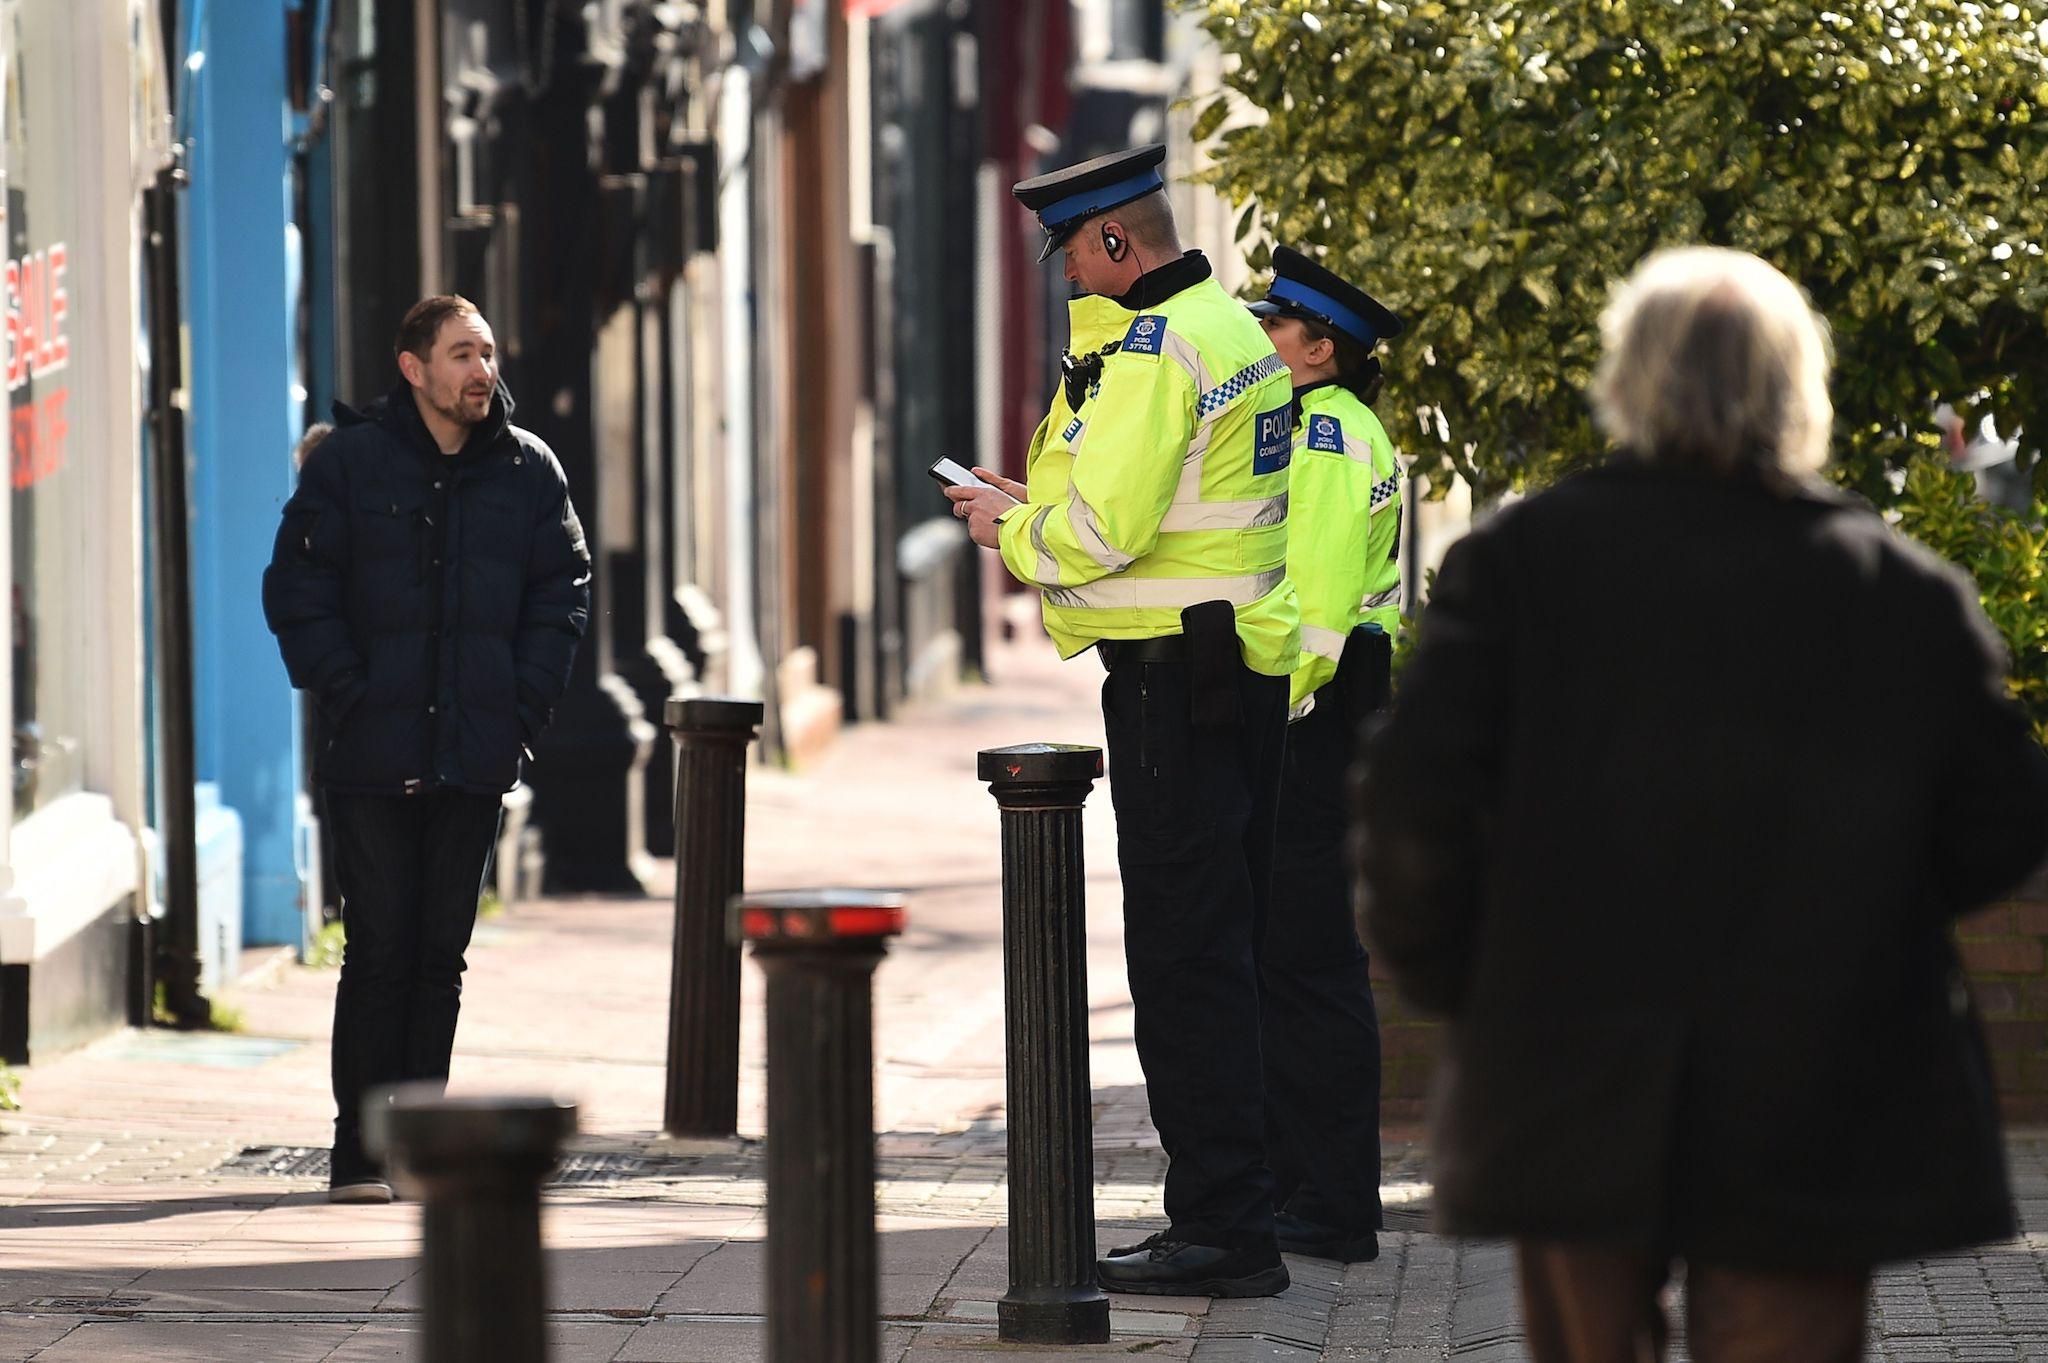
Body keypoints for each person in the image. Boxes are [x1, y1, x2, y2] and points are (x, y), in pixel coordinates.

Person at [1356, 246, 2048, 1361]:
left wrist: (1461, 982)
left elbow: (1411, 803)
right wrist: (1882, 914)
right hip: (1817, 1069)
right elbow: (2004, 815)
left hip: (1564, 1052)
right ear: (1796, 389)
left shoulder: (1521, 562)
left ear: (1627, 380)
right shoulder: (1892, 587)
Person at [947, 144, 1300, 1297]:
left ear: (1115, 242)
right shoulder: (1232, 326)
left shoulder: (1155, 351)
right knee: (1224, 945)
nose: (1070, 283)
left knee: (1184, 958)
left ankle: (1220, 1228)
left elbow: (1103, 533)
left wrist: (1007, 534)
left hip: (1171, 686)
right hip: (1235, 671)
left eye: (1071, 260)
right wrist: (1032, 502)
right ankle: (1235, 1206)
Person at [263, 295, 591, 1203]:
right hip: (371, 751)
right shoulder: (352, 464)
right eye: (460, 354)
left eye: (486, 352)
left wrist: (521, 708)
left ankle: (417, 1144)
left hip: (475, 752)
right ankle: (358, 1151)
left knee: (438, 954)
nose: (481, 370)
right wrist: (347, 689)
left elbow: (563, 592)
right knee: (377, 947)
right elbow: (298, 585)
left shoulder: (529, 471)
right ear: (414, 368)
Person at [1248, 245, 1404, 1264]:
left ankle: (1330, 1201)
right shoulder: (1339, 427)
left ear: (1319, 349)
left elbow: (1313, 600)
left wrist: (1276, 712)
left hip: (1310, 721)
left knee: (1304, 966)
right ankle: (1312, 1189)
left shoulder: (1325, 436)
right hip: (1331, 717)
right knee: (1296, 962)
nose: (1261, 336)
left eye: (1274, 325)